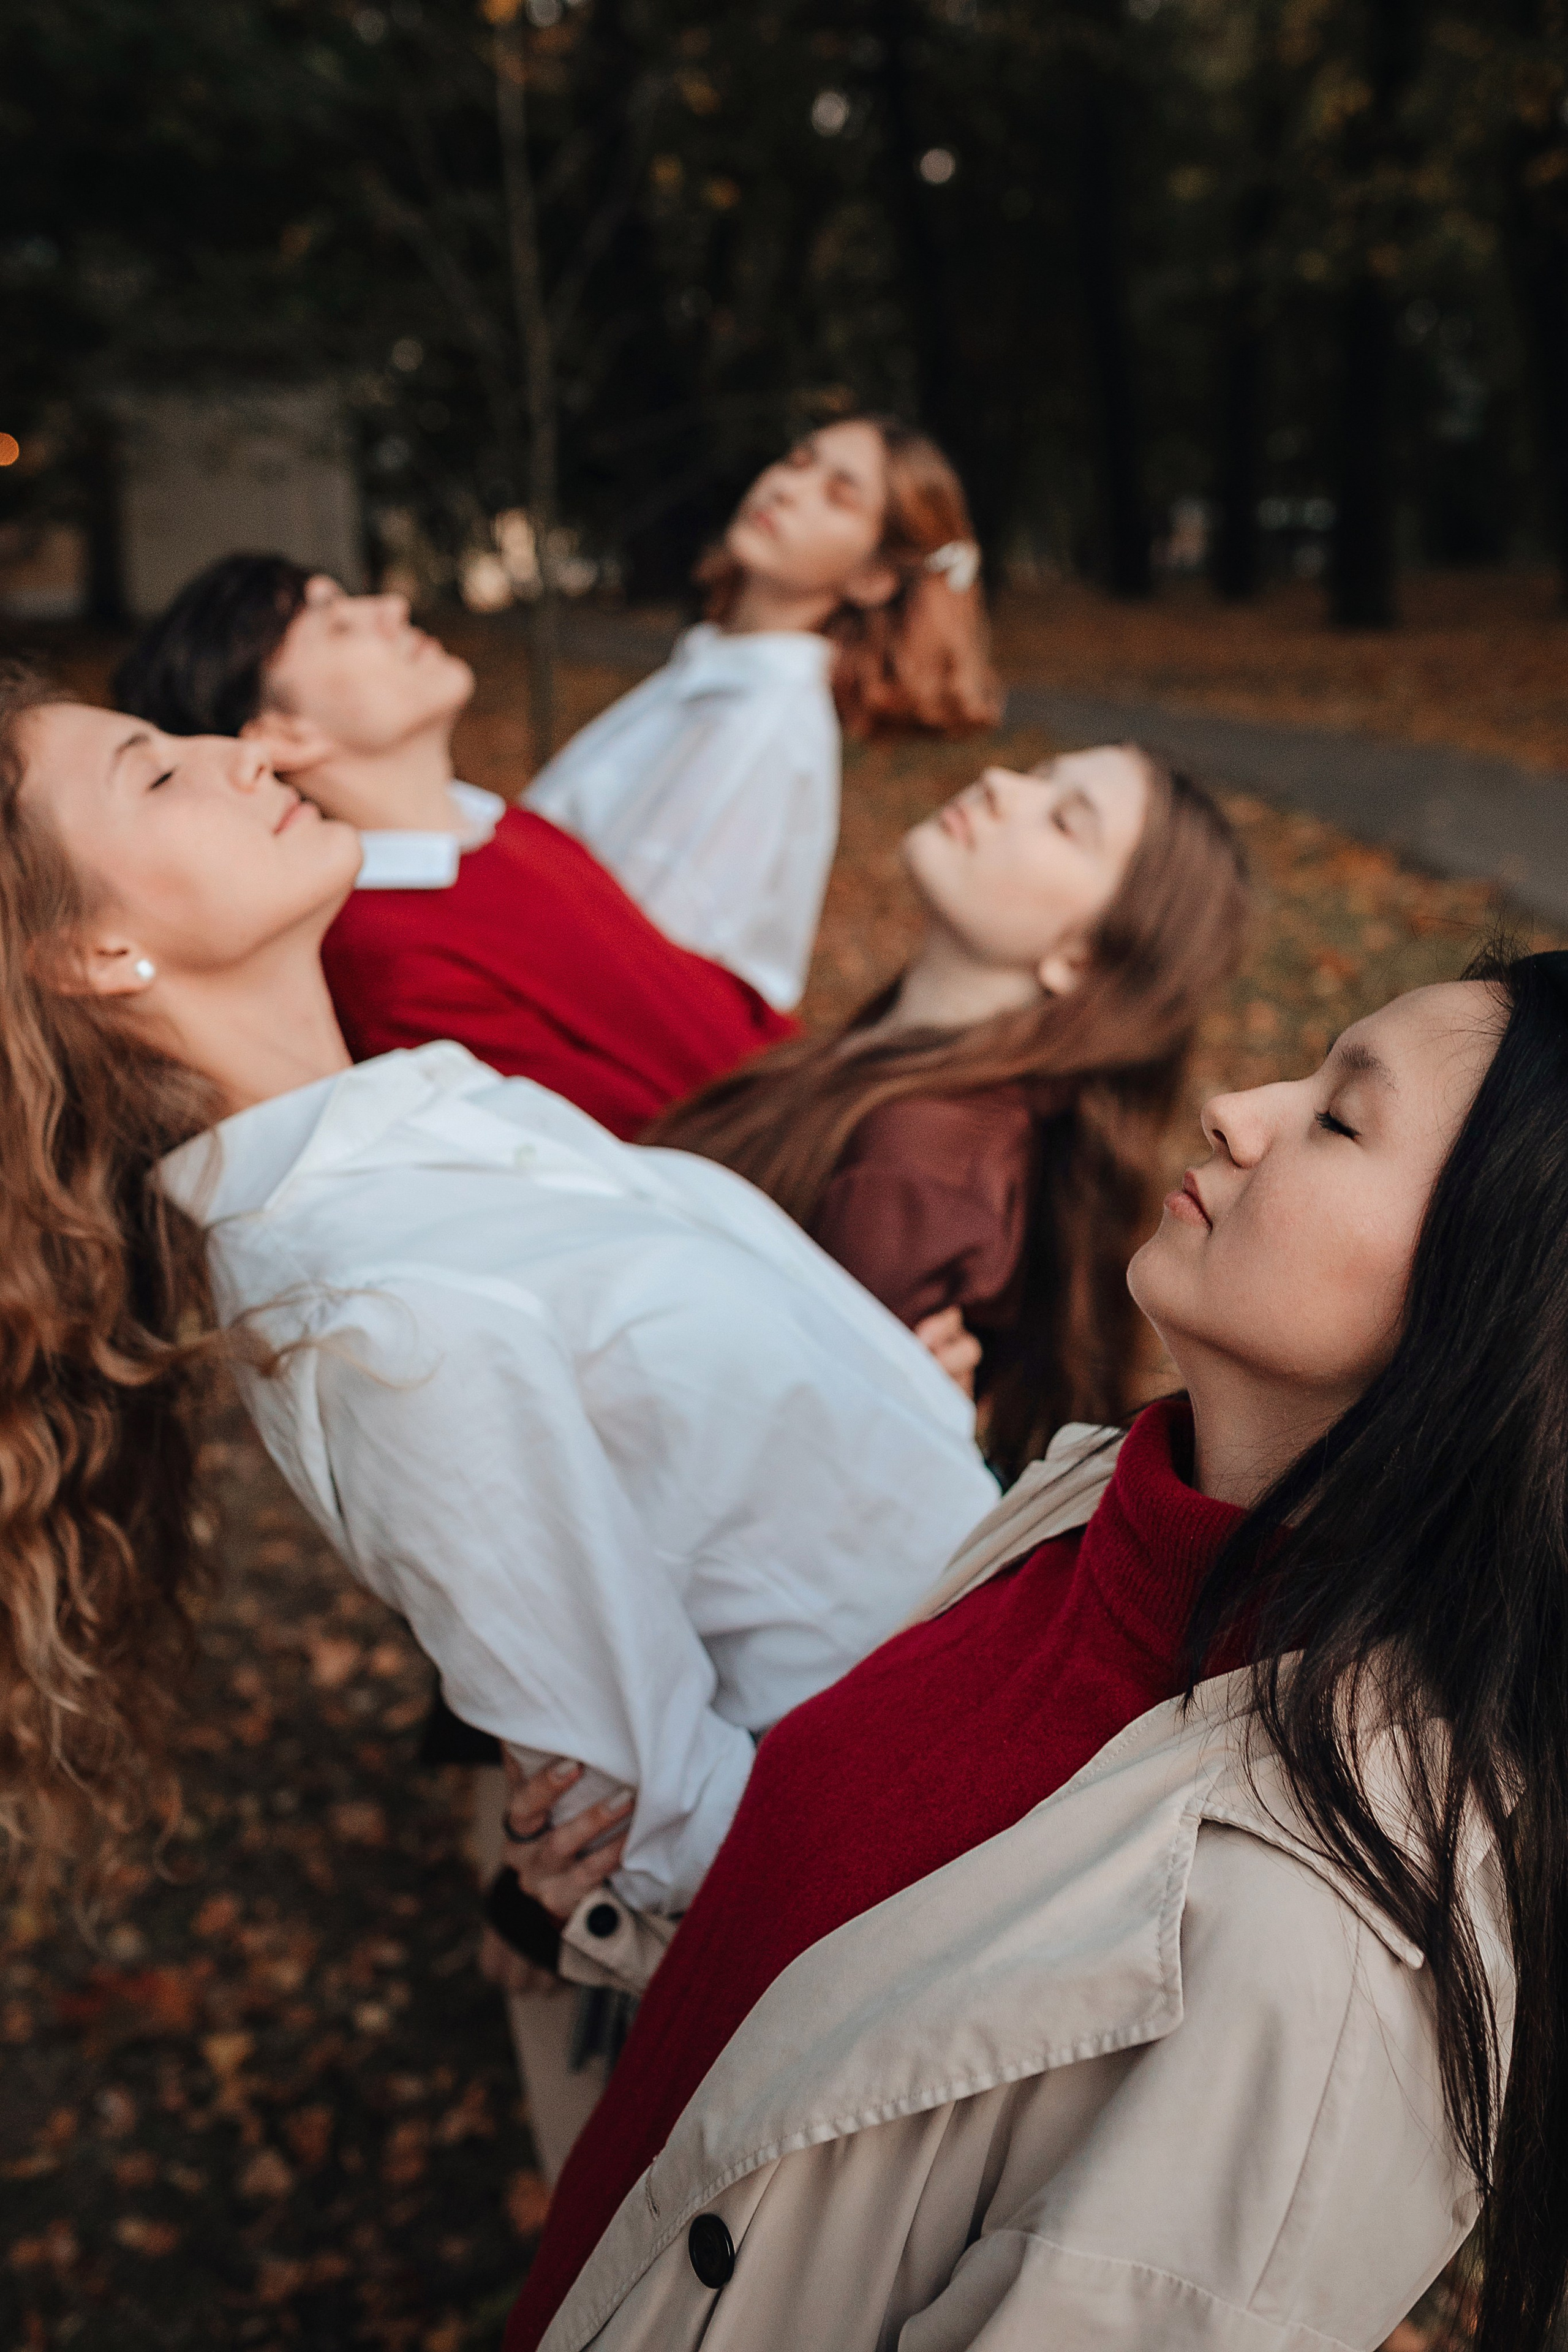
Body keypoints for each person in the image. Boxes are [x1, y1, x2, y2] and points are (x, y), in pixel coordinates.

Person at [502, 954, 1567, 2352]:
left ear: (1496, 1307)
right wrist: (632, 1887)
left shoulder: (1315, 1962)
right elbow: (909, 2004)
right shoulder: (1088, 1503)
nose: (1236, 1109)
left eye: (1336, 1119)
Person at [0, 671, 998, 2115]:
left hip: (1031, 1673)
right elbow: (656, 1824)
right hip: (977, 1843)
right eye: (154, 774)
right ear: (91, 950)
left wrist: (867, 1397)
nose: (236, 750)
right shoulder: (371, 1315)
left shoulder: (426, 1107)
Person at [651, 745, 1250, 1479]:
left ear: (1085, 958)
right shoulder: (900, 1077)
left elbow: (755, 1473)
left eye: (1065, 821)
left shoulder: (918, 1166)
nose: (999, 783)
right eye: (1038, 773)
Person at [111, 558, 796, 1142]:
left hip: (806, 1101)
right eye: (337, 623)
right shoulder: (383, 956)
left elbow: (698, 999)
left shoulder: (503, 826)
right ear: (284, 735)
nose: (389, 607)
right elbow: (630, 1153)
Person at [526, 415, 1001, 1011]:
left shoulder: (759, 723)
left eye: (838, 497)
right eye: (798, 461)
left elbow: (634, 956)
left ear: (872, 577)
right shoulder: (716, 670)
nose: (787, 488)